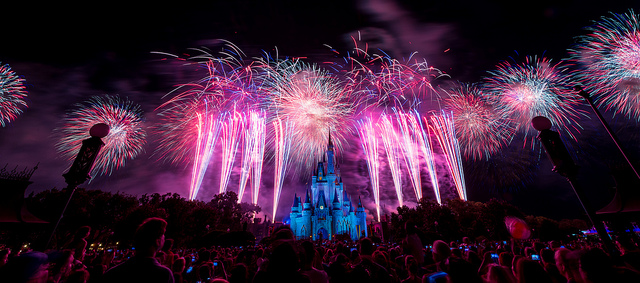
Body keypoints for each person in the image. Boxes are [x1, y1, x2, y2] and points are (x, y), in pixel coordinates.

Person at [102, 217, 174, 283]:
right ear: (157, 241)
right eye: (163, 235)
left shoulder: (112, 272)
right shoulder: (164, 275)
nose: (164, 238)